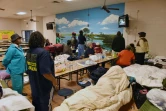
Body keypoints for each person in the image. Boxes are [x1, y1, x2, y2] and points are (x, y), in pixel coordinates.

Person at [26, 31, 56, 111]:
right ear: (41, 40)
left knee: (36, 105)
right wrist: (54, 81)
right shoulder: (43, 53)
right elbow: (46, 73)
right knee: (45, 106)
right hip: (44, 86)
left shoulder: (29, 52)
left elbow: (28, 69)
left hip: (34, 85)